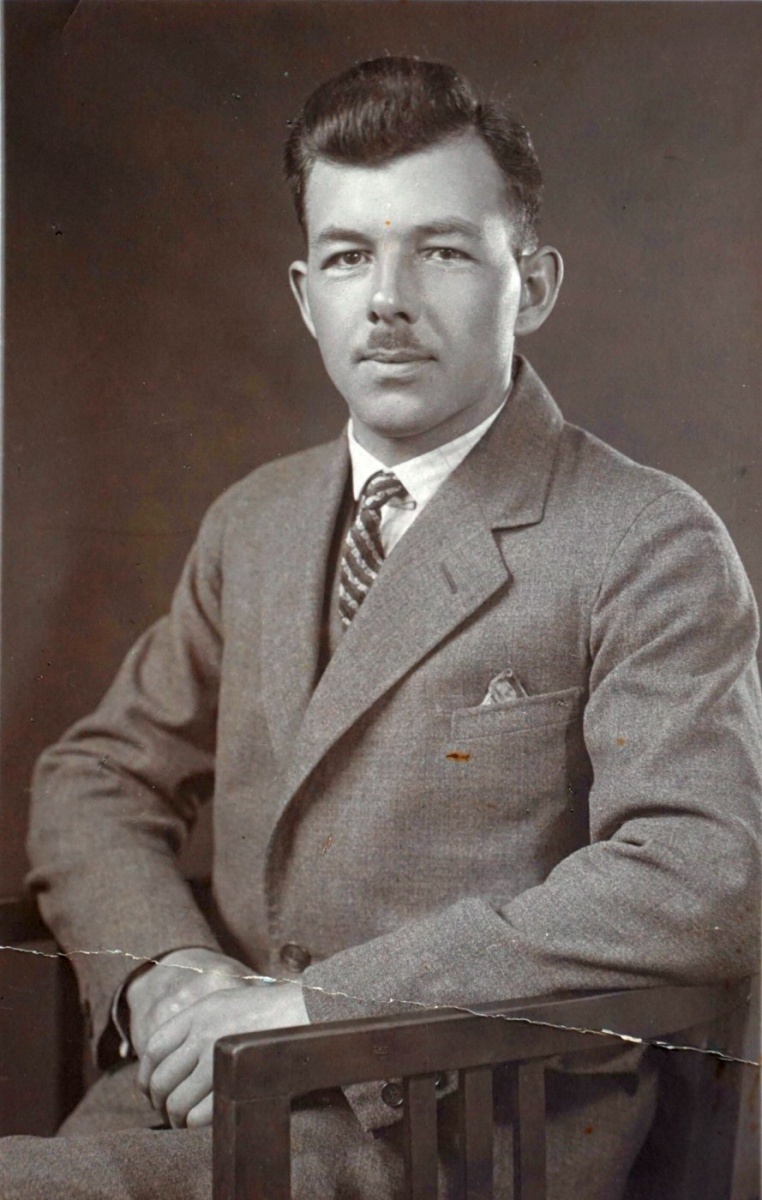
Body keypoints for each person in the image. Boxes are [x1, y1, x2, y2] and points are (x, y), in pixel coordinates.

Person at [1, 56, 760, 1200]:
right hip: (211, 1089)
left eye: (442, 251)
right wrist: (164, 971)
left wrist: (320, 1007)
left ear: (533, 286)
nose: (387, 300)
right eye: (350, 255)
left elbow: (700, 875)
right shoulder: (255, 521)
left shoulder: (646, 538)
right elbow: (93, 778)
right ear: (306, 293)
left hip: (462, 1129)